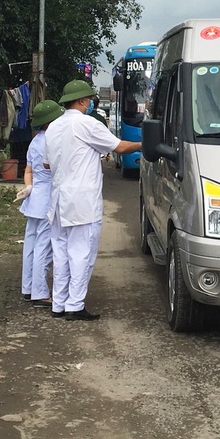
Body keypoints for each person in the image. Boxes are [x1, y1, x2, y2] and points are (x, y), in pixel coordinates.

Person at [44, 80, 141, 321]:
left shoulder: (54, 127)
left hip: (58, 200)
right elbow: (120, 147)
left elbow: (47, 163)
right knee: (81, 253)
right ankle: (75, 305)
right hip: (82, 201)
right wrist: (145, 144)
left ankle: (59, 303)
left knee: (62, 253)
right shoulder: (86, 123)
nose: (89, 103)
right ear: (82, 101)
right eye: (88, 100)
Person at [16, 100, 64, 307]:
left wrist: (28, 188)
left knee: (30, 245)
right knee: (44, 247)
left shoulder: (34, 142)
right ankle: (40, 292)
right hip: (47, 199)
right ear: (50, 122)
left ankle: (27, 288)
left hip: (34, 197)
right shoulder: (53, 141)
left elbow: (29, 171)